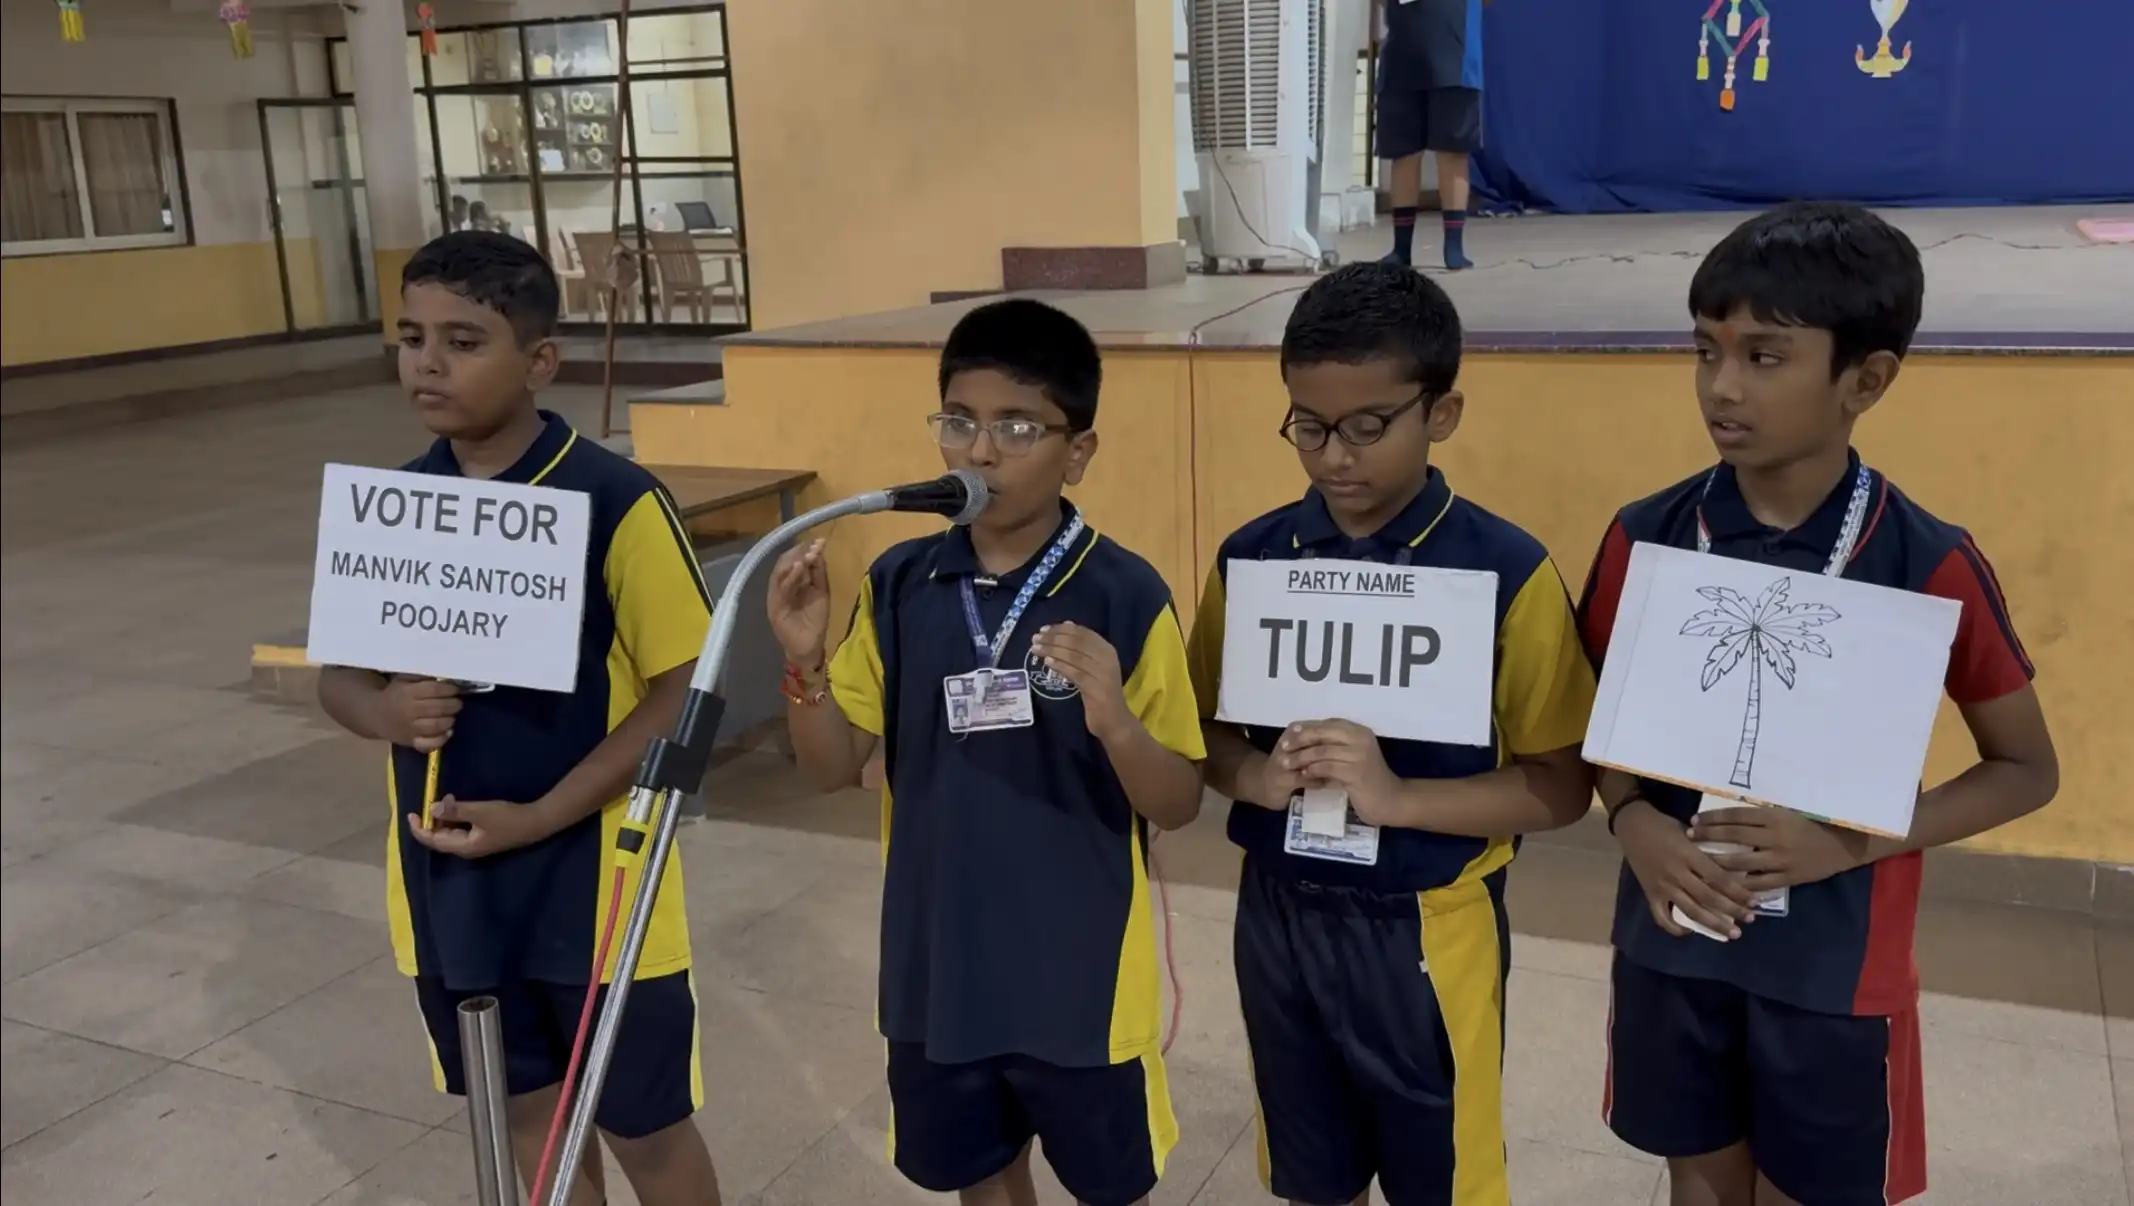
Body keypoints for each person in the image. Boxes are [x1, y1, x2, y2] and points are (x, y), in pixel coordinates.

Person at [1576, 202, 2060, 1206]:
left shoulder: (1925, 560)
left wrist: (1852, 843)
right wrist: (1628, 819)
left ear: (1866, 380)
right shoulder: (1644, 539)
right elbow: (1592, 733)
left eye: (1764, 356)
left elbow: (2025, 768)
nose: (1721, 387)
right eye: (1705, 351)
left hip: (1837, 975)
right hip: (1673, 946)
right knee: (1699, 1182)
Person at [765, 298, 1206, 1206]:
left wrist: (1117, 721)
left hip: (1079, 975)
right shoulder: (901, 583)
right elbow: (828, 765)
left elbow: (1178, 801)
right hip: (941, 964)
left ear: (1077, 451)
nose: (980, 452)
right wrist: (803, 660)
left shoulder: (1125, 593)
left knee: (1106, 1183)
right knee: (982, 1175)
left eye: (1017, 427)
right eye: (959, 422)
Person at [317, 231, 724, 1206]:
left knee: (643, 1124)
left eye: (464, 340)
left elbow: (688, 691)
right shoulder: (399, 506)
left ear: (540, 360)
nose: (428, 362)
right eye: (412, 337)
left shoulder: (613, 500)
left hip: (593, 883)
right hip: (447, 881)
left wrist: (544, 814)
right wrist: (382, 708)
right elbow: (339, 674)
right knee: (527, 1116)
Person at [1186, 262, 1598, 1206]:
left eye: (1369, 427)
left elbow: (1562, 784)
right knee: (1309, 1172)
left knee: (1439, 1178)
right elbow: (1200, 730)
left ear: (1441, 412)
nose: (1335, 457)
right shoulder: (1254, 558)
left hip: (1428, 922)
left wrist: (1399, 799)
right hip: (1279, 910)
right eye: (1309, 426)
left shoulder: (1506, 570)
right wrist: (1250, 777)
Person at [1373, 0, 1488, 270]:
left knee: (1452, 151)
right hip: (1401, 57)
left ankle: (1454, 245)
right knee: (1404, 153)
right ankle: (1401, 249)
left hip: (1455, 56)